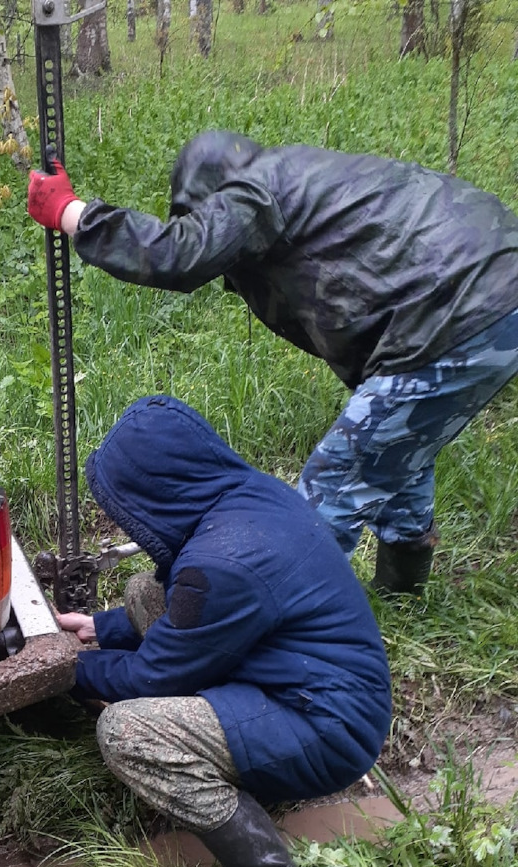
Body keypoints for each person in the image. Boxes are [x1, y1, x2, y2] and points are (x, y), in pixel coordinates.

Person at [27, 136, 518, 593]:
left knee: (333, 484)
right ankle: (404, 593)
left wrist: (72, 212)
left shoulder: (251, 193)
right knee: (398, 437)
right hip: (495, 286)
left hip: (460, 308)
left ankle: (276, 618)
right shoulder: (299, 173)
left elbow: (176, 254)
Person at [57, 394, 392, 867]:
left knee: (127, 731)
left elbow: (145, 679)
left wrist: (64, 670)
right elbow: (190, 619)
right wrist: (101, 628)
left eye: (127, 510)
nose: (126, 523)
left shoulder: (223, 566)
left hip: (328, 722)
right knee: (146, 592)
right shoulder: (250, 499)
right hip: (310, 676)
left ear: (157, 493)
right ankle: (225, 741)